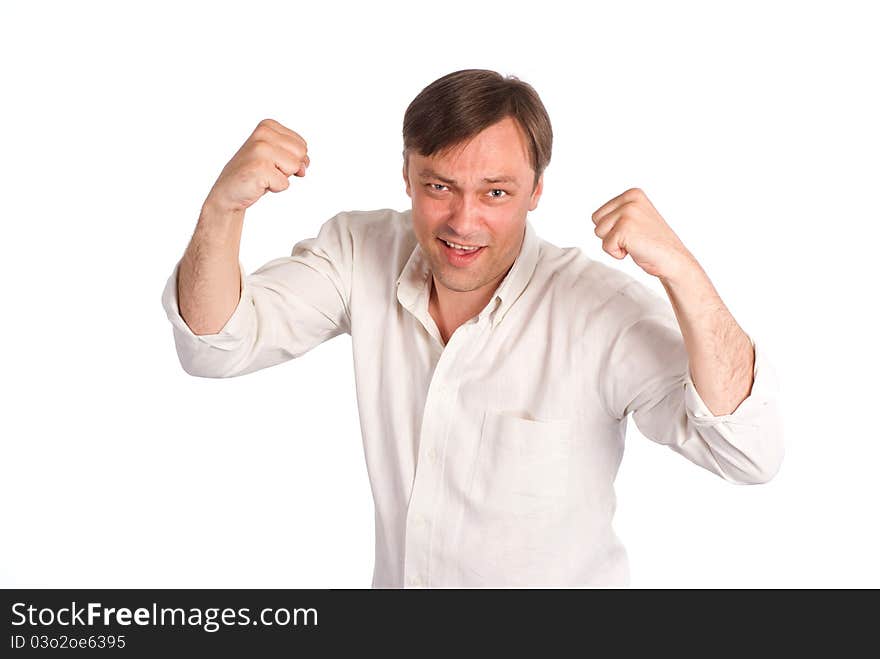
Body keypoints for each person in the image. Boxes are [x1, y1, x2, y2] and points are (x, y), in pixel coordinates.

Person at [161, 69, 784, 588]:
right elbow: (216, 345)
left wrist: (681, 270)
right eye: (439, 186)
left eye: (495, 192)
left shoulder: (598, 310)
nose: (463, 221)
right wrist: (224, 207)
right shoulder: (359, 251)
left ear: (537, 190)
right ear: (407, 175)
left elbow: (748, 453)